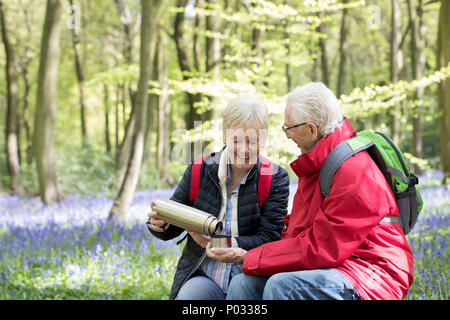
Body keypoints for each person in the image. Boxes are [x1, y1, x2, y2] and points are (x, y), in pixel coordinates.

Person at [210, 82, 413, 300]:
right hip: (338, 265)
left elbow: (323, 248)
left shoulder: (355, 170)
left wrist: (248, 257)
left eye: (289, 127)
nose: (287, 135)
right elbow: (297, 233)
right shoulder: (318, 166)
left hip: (372, 272)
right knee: (244, 283)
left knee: (283, 287)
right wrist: (252, 253)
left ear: (311, 129)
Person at [147, 96, 290, 300]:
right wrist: (160, 224)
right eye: (236, 140)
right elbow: (175, 221)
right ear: (224, 137)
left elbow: (270, 238)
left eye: (253, 141)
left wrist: (222, 243)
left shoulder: (275, 178)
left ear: (264, 139)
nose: (244, 149)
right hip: (205, 276)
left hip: (249, 277)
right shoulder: (200, 169)